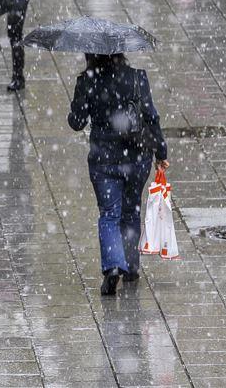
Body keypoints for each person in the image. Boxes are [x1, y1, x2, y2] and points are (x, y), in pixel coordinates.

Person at [68, 54, 169, 296]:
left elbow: (77, 122)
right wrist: (161, 151)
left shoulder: (87, 80)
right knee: (131, 209)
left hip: (103, 159)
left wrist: (79, 106)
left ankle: (113, 266)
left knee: (109, 214)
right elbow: (151, 116)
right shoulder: (137, 78)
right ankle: (131, 266)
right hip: (136, 158)